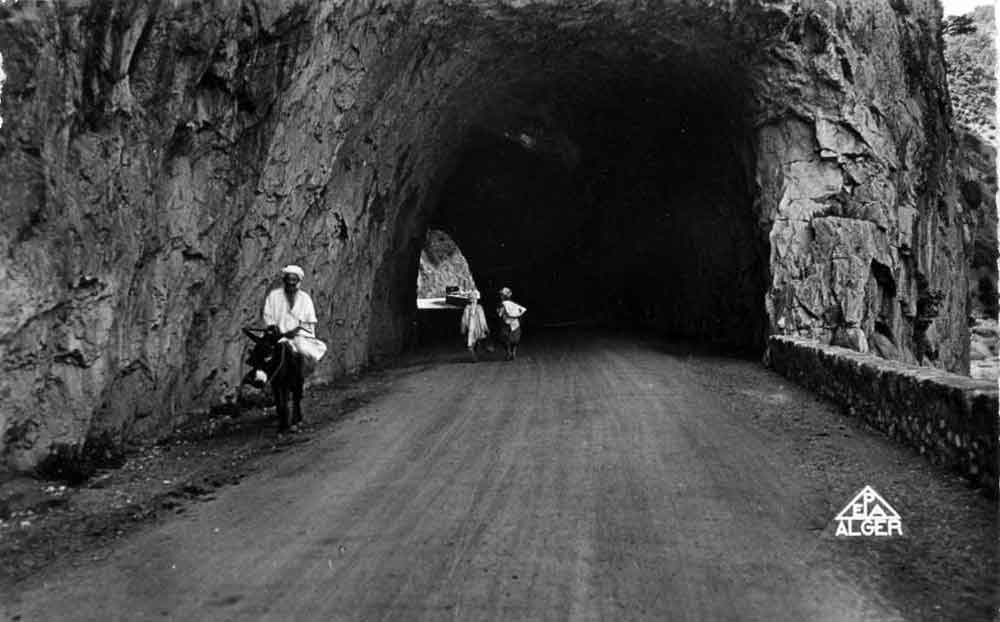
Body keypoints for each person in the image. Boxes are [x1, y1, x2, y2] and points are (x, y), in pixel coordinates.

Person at [263, 265, 328, 375]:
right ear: (284, 281)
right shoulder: (274, 296)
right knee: (263, 351)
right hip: (276, 335)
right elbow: (267, 316)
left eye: (294, 280)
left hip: (298, 336)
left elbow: (309, 323)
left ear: (298, 282)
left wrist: (295, 331)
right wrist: (274, 327)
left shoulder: (305, 299)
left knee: (303, 350)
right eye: (288, 280)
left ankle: (303, 376)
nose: (291, 283)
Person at [497, 287, 527, 361]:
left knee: (512, 339)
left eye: (502, 295)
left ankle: (511, 352)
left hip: (511, 324)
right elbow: (499, 314)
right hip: (508, 323)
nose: (501, 296)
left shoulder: (511, 304)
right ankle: (510, 352)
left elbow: (519, 312)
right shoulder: (503, 304)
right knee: (507, 339)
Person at [460, 290, 489, 362]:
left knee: (473, 343)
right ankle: (474, 357)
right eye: (472, 298)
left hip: (475, 328)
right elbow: (482, 319)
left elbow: (464, 320)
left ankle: (475, 356)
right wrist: (485, 328)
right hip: (474, 328)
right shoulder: (471, 308)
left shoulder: (475, 308)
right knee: (473, 343)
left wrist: (463, 329)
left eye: (474, 298)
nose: (473, 300)